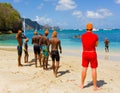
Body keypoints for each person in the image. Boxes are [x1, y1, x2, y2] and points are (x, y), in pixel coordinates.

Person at [80, 23, 100, 90]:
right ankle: (94, 86)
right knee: (93, 69)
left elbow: (83, 43)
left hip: (85, 53)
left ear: (86, 29)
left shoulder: (82, 36)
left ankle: (82, 85)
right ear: (92, 29)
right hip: (92, 53)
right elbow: (96, 45)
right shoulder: (95, 36)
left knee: (84, 69)